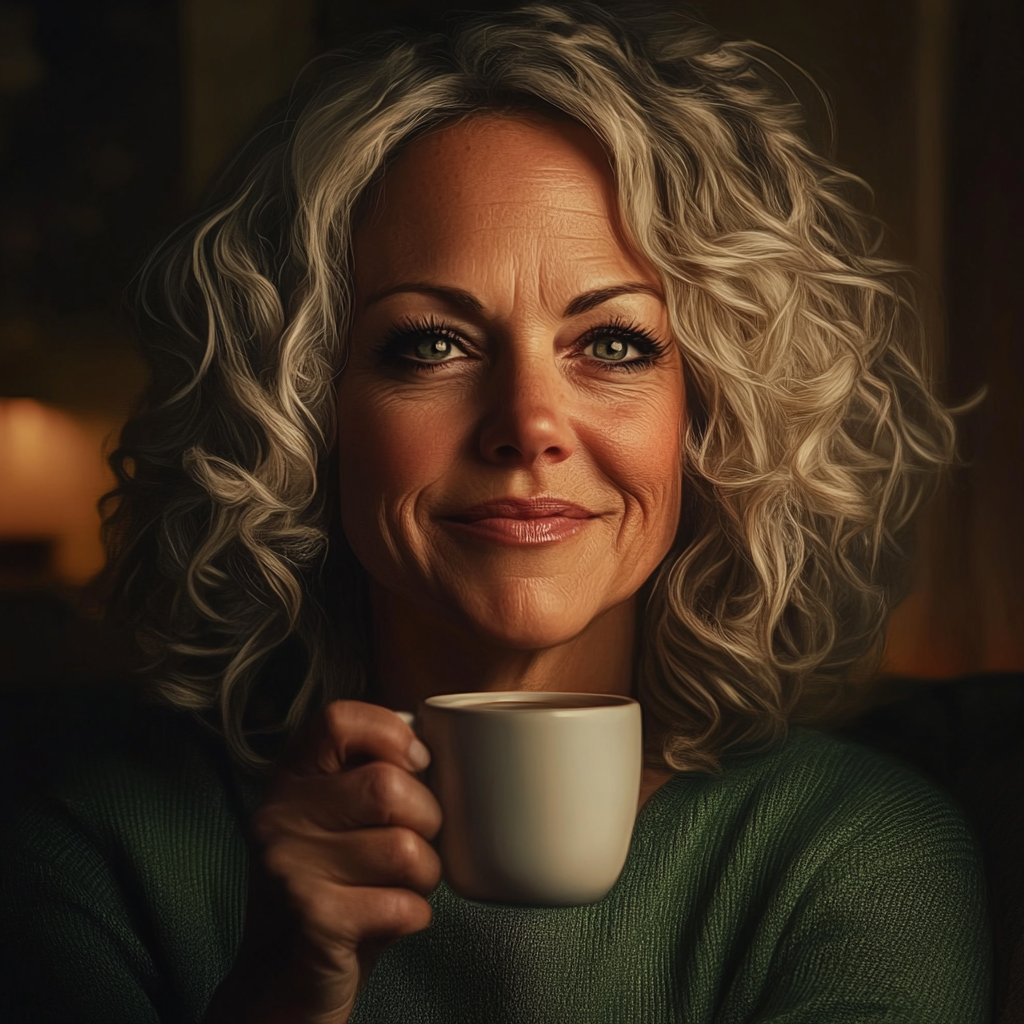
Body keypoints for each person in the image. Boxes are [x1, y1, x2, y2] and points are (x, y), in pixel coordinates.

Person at [0, 4, 991, 1022]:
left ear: (717, 416)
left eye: (613, 344)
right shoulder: (97, 847)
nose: (527, 425)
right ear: (304, 411)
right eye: (429, 343)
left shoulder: (855, 856)